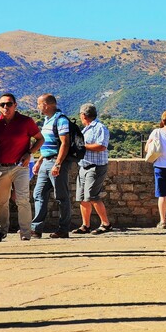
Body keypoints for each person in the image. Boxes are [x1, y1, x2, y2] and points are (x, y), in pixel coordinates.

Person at [0, 93, 44, 241]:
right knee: (1, 202)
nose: (5, 107)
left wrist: (29, 153)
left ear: (15, 105)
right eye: (2, 104)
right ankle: (1, 231)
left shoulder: (26, 122)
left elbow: (40, 139)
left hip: (20, 167)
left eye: (9, 104)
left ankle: (25, 233)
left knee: (22, 199)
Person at [31, 94, 75, 239]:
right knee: (39, 193)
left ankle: (63, 229)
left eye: (39, 104)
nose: (37, 107)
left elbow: (65, 143)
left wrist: (58, 164)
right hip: (46, 161)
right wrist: (39, 161)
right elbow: (48, 144)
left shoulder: (60, 120)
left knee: (61, 196)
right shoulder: (47, 120)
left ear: (46, 105)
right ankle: (36, 228)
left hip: (56, 162)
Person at [72, 103, 114, 235]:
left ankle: (106, 224)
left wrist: (82, 146)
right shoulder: (86, 129)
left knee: (92, 196)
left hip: (95, 166)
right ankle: (85, 225)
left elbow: (102, 146)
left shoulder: (100, 128)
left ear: (83, 115)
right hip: (84, 166)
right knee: (83, 197)